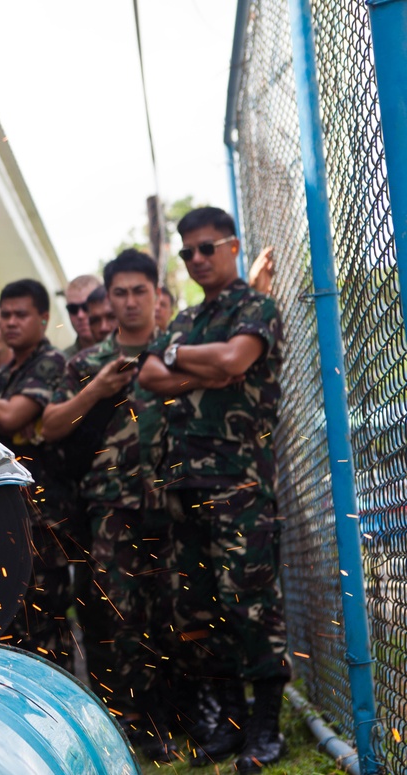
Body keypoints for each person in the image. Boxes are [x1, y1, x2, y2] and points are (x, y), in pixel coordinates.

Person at [138, 206, 289, 771]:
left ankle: (266, 730)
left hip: (240, 484)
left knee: (250, 607)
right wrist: (194, 361)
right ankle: (229, 727)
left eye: (207, 248)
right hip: (185, 486)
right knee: (200, 610)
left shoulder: (257, 307)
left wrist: (187, 361)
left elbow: (235, 360)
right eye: (187, 253)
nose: (198, 259)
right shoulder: (184, 323)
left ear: (233, 246)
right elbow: (150, 375)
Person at [42, 249, 176, 762]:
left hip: (176, 502)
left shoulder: (177, 350)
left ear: (155, 293)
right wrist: (96, 389)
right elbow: (50, 426)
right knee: (118, 613)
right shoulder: (88, 363)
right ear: (108, 297)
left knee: (174, 609)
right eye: (118, 292)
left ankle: (175, 717)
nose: (129, 301)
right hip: (112, 507)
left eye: (138, 291)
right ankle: (128, 724)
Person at [0, 279, 72, 672]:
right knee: (7, 616)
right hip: (3, 513)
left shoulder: (50, 363)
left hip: (43, 516)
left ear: (43, 319)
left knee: (45, 620)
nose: (10, 323)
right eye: (5, 315)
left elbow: (10, 418)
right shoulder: (2, 377)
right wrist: (0, 414)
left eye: (20, 315)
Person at [63, 274, 102, 357]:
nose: (80, 315)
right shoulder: (62, 361)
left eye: (86, 307)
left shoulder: (125, 345)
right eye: (72, 309)